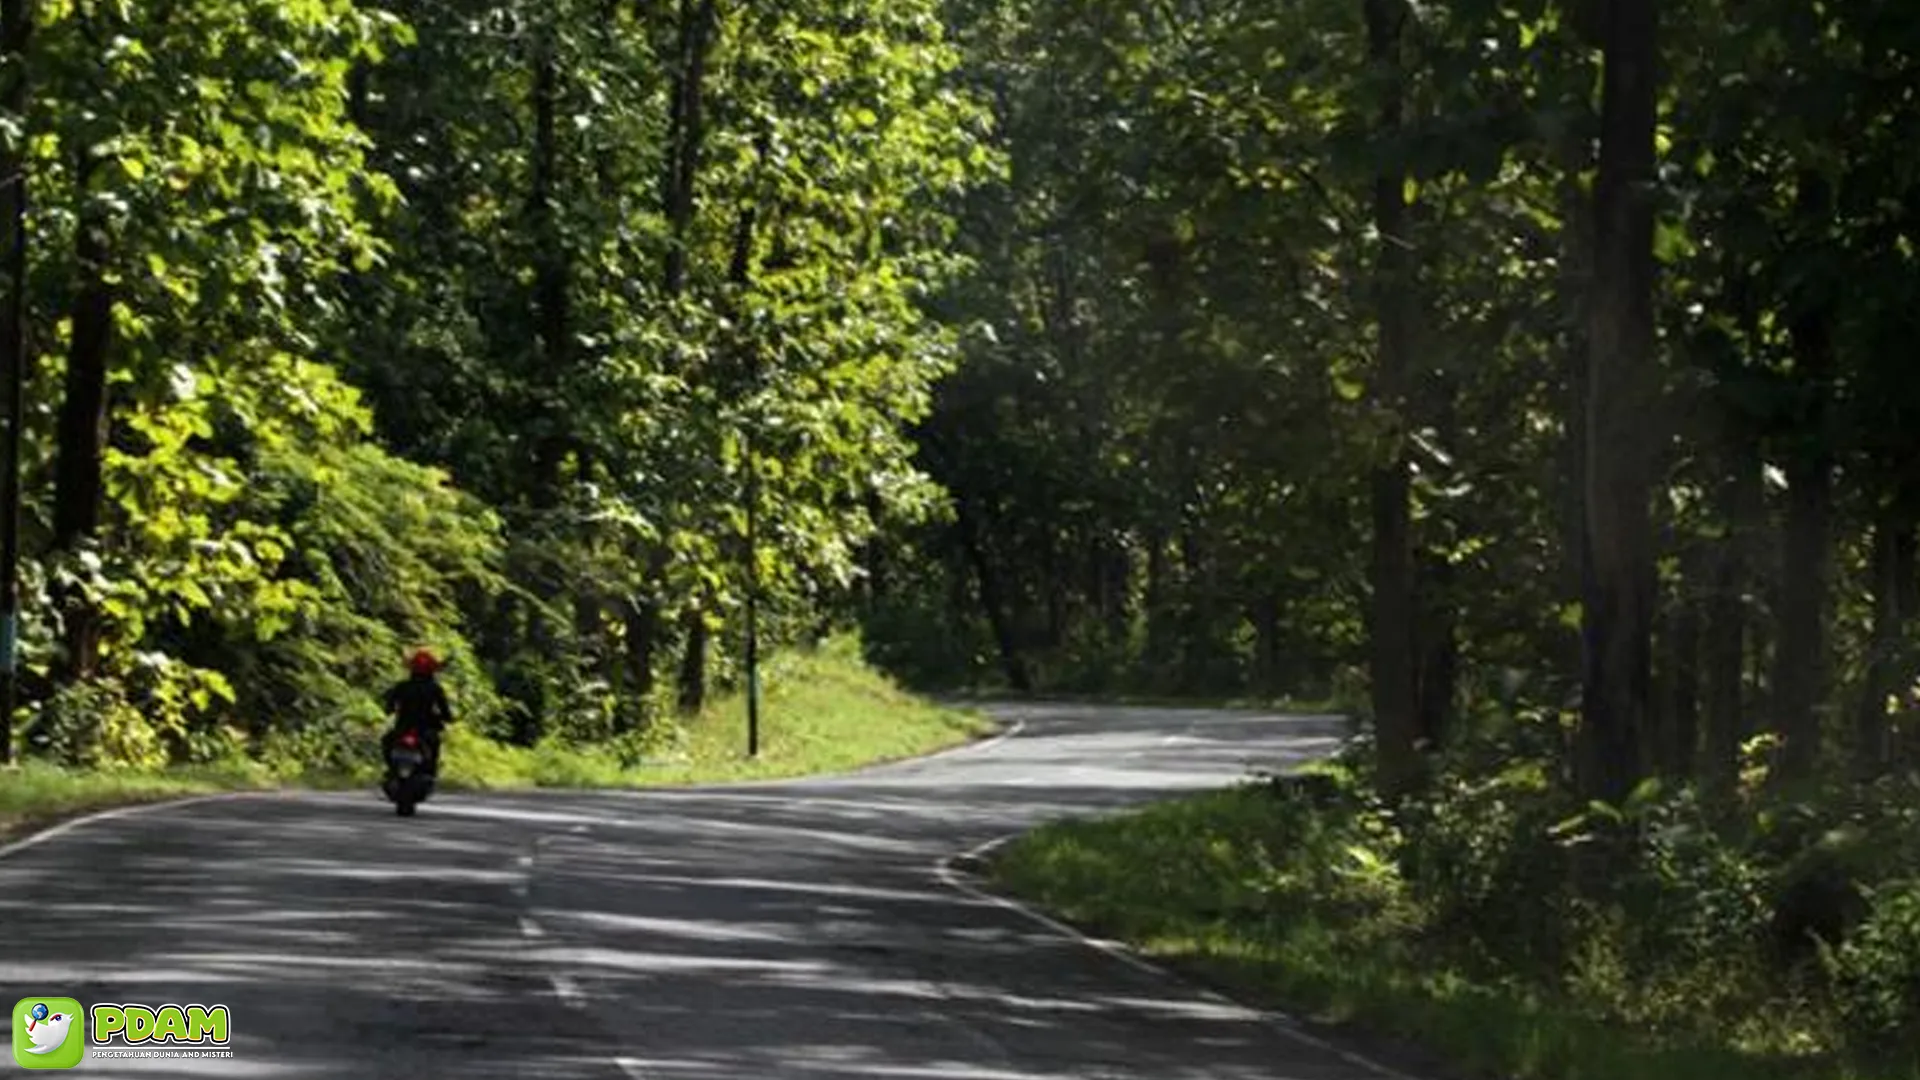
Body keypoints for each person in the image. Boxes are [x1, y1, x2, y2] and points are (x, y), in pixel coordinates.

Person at [382, 648, 453, 774]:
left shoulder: (402, 686)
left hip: (402, 727)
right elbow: (445, 711)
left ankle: (391, 770)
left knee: (387, 740)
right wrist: (447, 718)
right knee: (434, 745)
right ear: (432, 671)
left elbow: (389, 707)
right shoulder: (435, 688)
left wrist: (390, 710)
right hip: (426, 729)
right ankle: (430, 771)